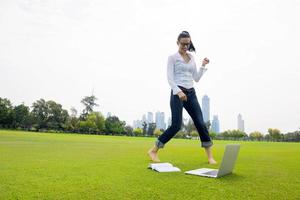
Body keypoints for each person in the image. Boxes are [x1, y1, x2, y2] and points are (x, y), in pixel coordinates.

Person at [147, 31, 217, 164]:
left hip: (191, 93)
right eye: (183, 44)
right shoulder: (172, 58)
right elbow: (170, 78)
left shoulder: (191, 58)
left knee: (201, 124)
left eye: (188, 44)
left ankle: (210, 157)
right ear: (177, 43)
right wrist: (178, 92)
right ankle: (154, 150)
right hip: (177, 93)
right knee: (176, 125)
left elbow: (196, 78)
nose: (185, 46)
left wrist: (203, 65)